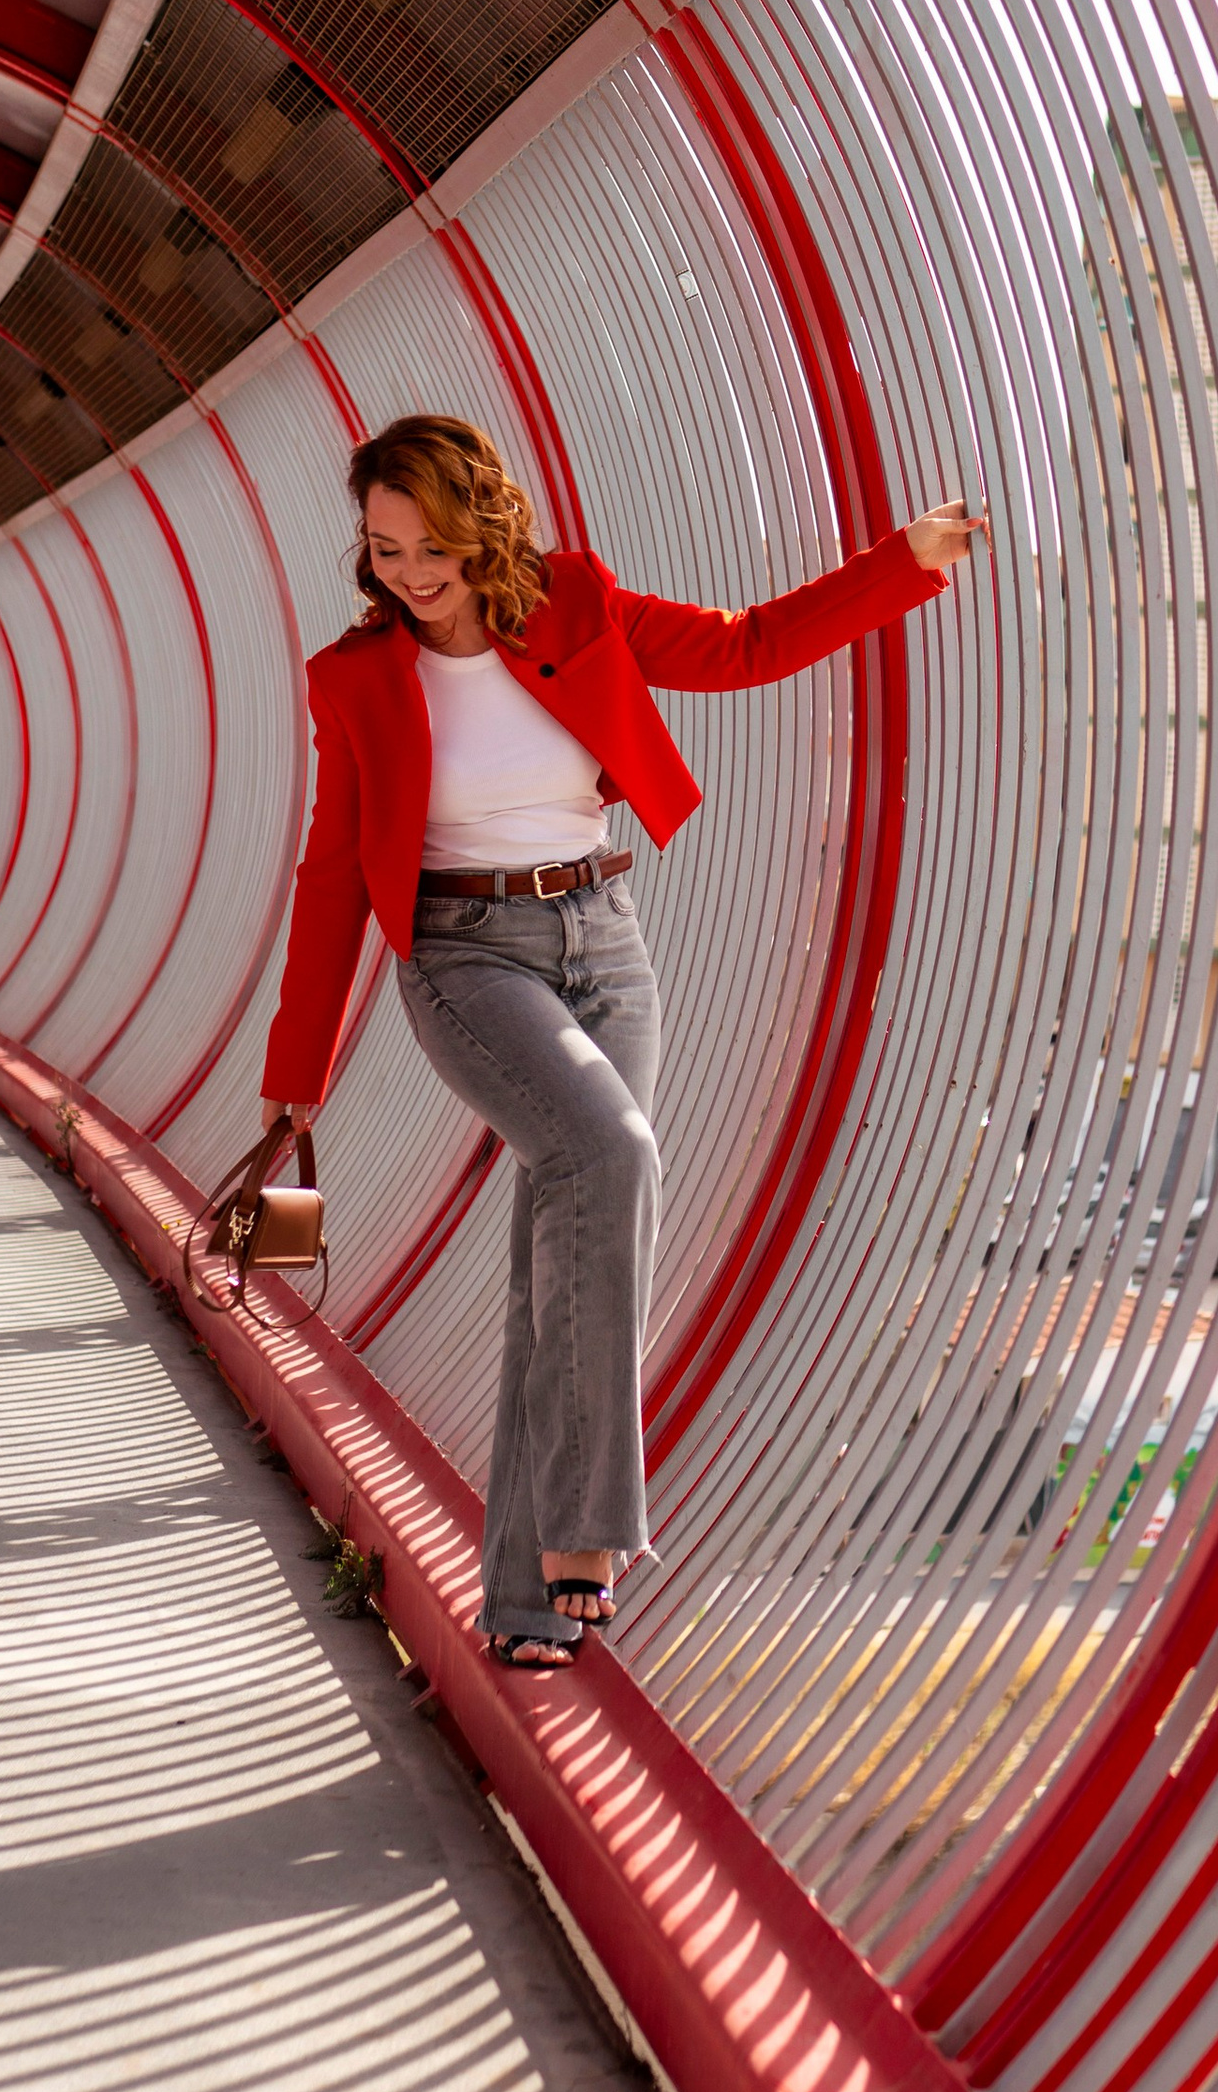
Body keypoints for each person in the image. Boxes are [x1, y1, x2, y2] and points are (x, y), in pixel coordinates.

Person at [261, 415, 988, 1668]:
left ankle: (529, 1608)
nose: (411, 574)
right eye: (385, 550)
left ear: (481, 524)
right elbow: (333, 873)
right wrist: (296, 1081)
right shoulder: (353, 676)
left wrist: (901, 562)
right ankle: (594, 1531)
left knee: (561, 1257)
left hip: (604, 936)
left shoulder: (577, 603)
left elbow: (748, 646)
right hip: (462, 957)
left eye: (431, 546)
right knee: (610, 1155)